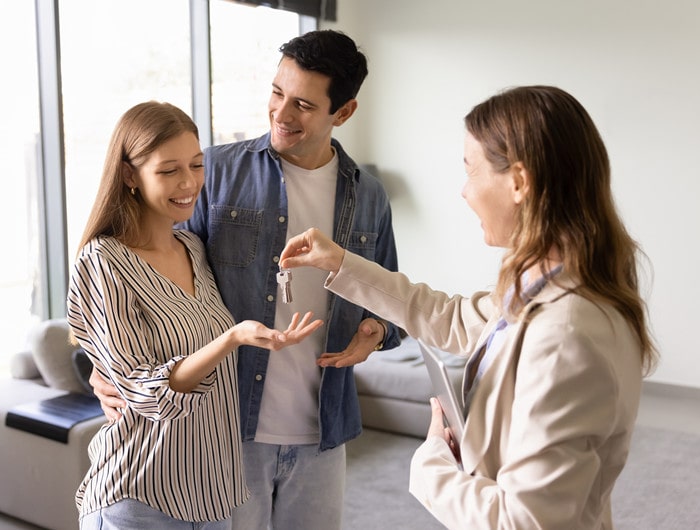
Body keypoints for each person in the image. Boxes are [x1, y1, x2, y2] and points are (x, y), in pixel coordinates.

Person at [280, 85, 658, 529]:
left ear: (519, 182)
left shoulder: (565, 334)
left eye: (471, 171)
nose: (464, 191)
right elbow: (450, 318)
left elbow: (525, 521)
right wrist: (340, 262)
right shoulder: (542, 284)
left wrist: (432, 464)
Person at [91, 30, 401, 529]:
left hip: (322, 435)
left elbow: (391, 301)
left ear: (343, 112)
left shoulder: (369, 197)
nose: (282, 113)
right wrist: (102, 364)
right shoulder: (213, 172)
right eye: (277, 92)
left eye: (303, 104)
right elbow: (145, 275)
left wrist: (377, 331)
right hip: (227, 429)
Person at [67, 101, 323, 529]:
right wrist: (232, 338)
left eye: (197, 165)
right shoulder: (103, 260)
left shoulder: (194, 248)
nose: (188, 182)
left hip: (215, 496)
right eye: (169, 170)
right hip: (142, 496)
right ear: (129, 175)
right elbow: (146, 391)